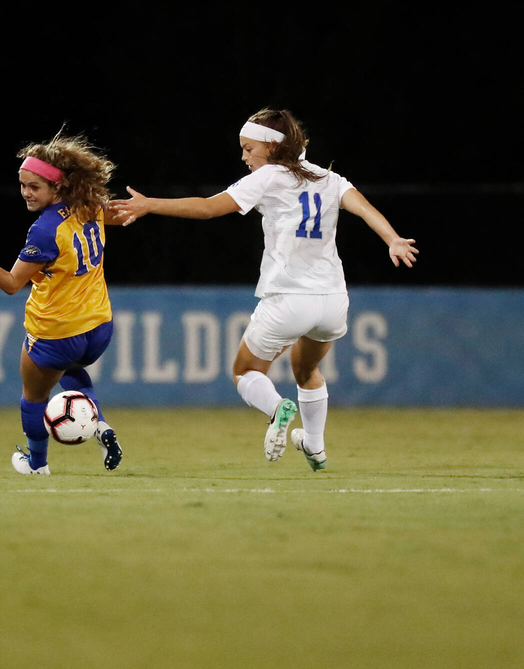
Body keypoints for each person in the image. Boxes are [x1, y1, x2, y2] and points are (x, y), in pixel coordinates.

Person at [109, 108, 417, 471]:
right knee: (306, 370)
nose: (243, 157)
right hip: (333, 300)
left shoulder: (270, 176)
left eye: (247, 148)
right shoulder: (328, 177)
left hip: (288, 298)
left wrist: (150, 204)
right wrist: (393, 239)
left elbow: (208, 208)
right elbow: (364, 209)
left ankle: (276, 410)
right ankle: (315, 447)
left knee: (245, 372)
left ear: (271, 147)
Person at [0, 133, 123, 476]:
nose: (26, 193)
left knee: (33, 397)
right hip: (99, 328)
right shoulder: (88, 206)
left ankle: (37, 465)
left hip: (56, 332)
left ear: (58, 187)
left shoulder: (45, 229)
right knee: (71, 371)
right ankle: (100, 425)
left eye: (34, 186)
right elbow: (119, 217)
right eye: (22, 185)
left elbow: (11, 284)